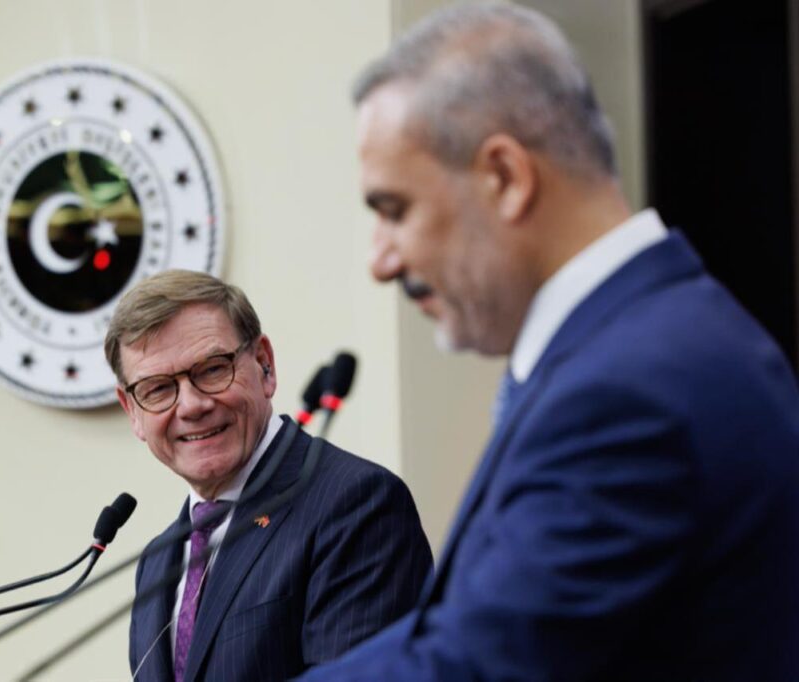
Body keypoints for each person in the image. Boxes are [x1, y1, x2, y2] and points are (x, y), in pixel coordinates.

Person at [299, 3, 799, 681]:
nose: (380, 260)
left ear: (505, 176)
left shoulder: (631, 391)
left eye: (395, 210)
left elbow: (476, 666)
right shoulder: (640, 344)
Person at [104, 269, 432, 682]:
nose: (190, 405)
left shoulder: (357, 503)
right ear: (132, 411)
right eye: (157, 389)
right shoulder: (158, 559)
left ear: (265, 365)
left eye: (211, 370)